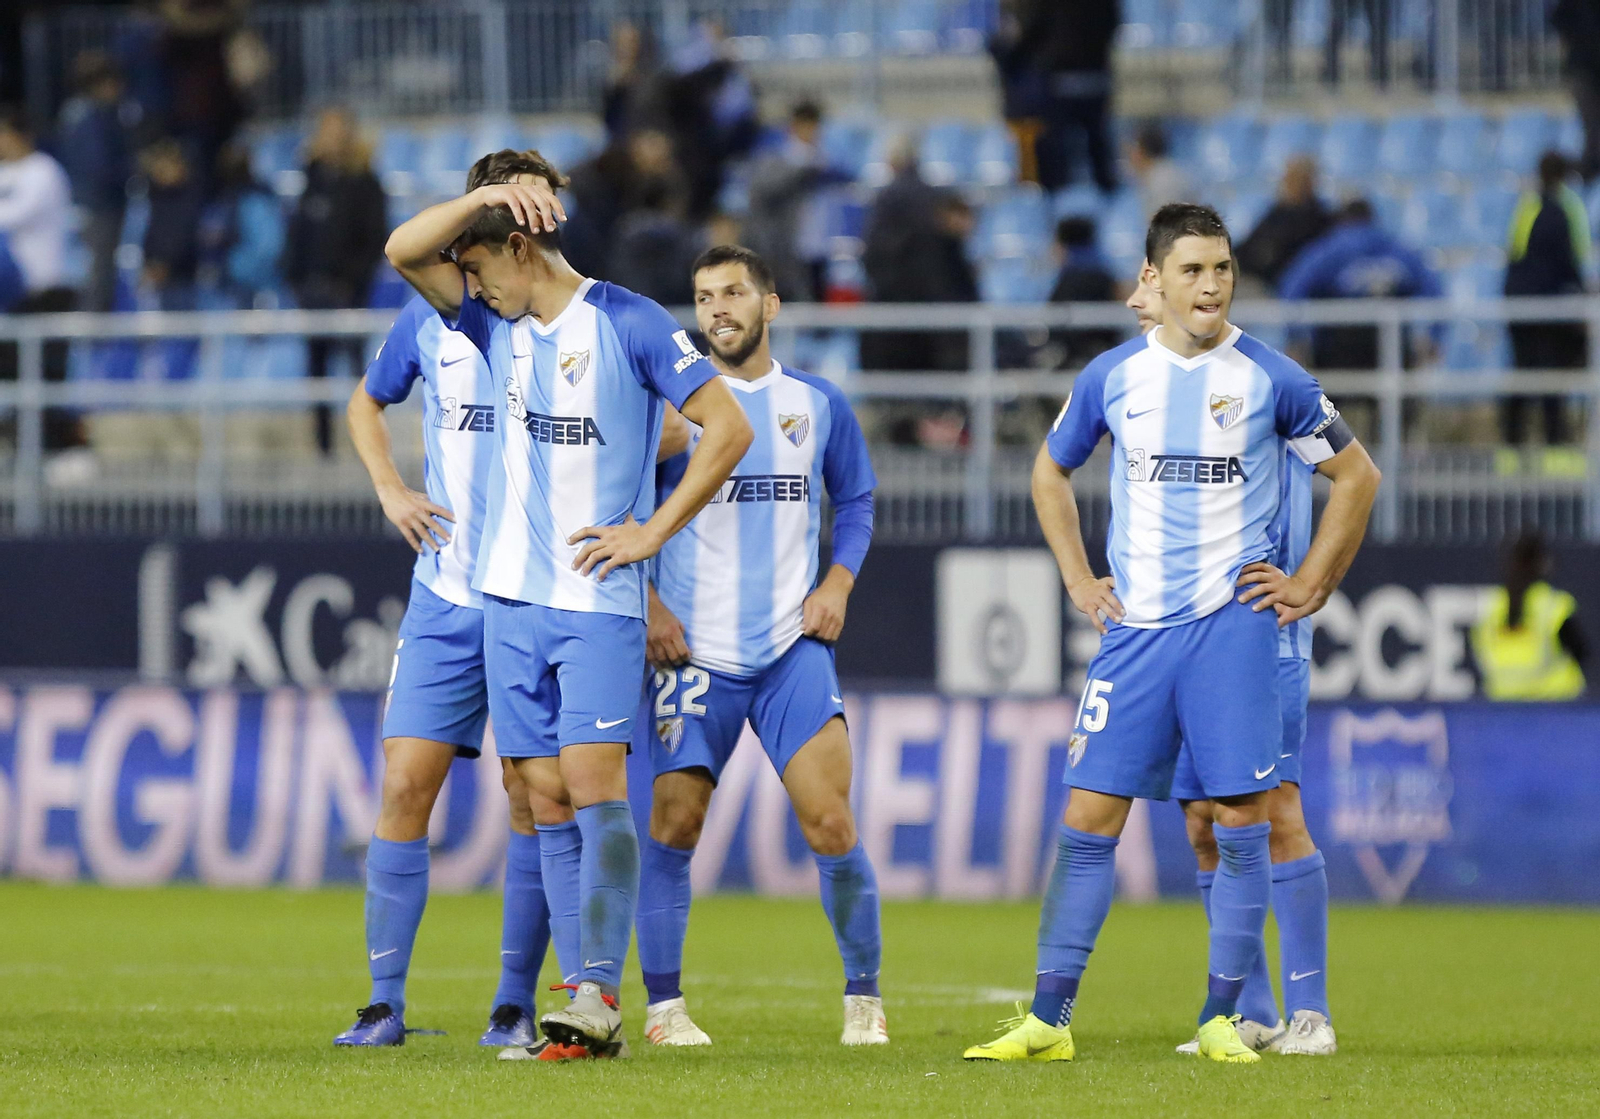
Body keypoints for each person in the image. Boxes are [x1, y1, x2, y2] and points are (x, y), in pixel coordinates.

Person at [963, 204, 1380, 1064]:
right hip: (1136, 637)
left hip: (1234, 633)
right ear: (1154, 276)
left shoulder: (1273, 378)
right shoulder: (1114, 376)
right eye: (1194, 269)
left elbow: (1357, 475)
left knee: (1247, 816)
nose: (1213, 284)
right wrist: (1079, 579)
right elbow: (1050, 468)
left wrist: (1311, 585)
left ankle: (1238, 1015)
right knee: (1088, 816)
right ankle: (1048, 1018)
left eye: (1222, 268)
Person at [384, 150, 752, 1059]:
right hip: (506, 599)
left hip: (595, 602)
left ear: (516, 250)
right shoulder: (490, 323)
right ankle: (577, 1007)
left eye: (474, 265)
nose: (463, 285)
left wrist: (652, 531)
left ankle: (597, 988)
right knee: (541, 793)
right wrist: (476, 196)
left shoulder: (628, 320)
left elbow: (728, 426)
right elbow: (403, 249)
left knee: (592, 789)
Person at [336, 151, 580, 1052]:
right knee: (404, 786)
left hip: (531, 595)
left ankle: (514, 1003)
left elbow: (666, 426)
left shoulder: (564, 317)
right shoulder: (442, 315)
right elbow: (366, 405)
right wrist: (393, 489)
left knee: (532, 795)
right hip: (445, 592)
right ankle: (382, 1001)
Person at [632, 245, 886, 1050]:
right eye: (704, 296)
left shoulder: (816, 404)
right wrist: (649, 604)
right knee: (673, 827)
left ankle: (864, 1002)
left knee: (831, 822)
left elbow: (859, 498)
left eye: (734, 292)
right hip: (692, 651)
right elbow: (613, 509)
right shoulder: (669, 420)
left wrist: (838, 583)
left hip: (789, 650)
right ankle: (664, 1008)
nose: (718, 309)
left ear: (769, 304)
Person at [283, 107, 389, 455]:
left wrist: (351, 281)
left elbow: (375, 241)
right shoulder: (311, 179)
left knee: (358, 376)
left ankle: (369, 450)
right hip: (311, 292)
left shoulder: (365, 183)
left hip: (348, 294)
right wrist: (296, 279)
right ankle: (323, 448)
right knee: (316, 373)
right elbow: (297, 236)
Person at [0, 105, 81, 455]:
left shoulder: (44, 172)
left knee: (46, 376)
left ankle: (60, 448)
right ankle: (22, 445)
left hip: (48, 290)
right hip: (13, 295)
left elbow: (15, 215)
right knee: (14, 376)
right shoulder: (5, 173)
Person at [1501, 151, 1592, 447]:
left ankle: (1512, 446)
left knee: (1522, 376)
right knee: (1551, 379)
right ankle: (1555, 447)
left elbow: (1514, 255)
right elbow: (1572, 261)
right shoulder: (1566, 209)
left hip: (1519, 304)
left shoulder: (1525, 207)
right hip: (1548, 308)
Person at [988, 0, 1118, 192]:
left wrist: (1005, 54)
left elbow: (1032, 33)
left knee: (1056, 155)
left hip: (1059, 81)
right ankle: (1102, 190)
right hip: (1096, 79)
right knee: (1097, 149)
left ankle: (1060, 195)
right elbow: (1113, 24)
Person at [55, 52, 143, 313]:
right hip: (98, 207)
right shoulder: (92, 119)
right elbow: (100, 167)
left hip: (87, 203)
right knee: (97, 275)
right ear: (102, 83)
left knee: (95, 273)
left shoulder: (76, 114)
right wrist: (135, 167)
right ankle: (90, 341)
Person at [742, 99, 849, 304]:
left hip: (818, 245)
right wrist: (801, 174)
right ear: (795, 125)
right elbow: (762, 193)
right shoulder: (776, 160)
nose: (812, 131)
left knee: (817, 306)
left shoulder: (824, 160)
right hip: (785, 248)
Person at [1473, 533, 1587, 700]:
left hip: (1502, 706)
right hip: (1556, 706)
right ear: (1542, 564)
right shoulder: (1553, 605)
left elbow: (1480, 652)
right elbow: (1581, 652)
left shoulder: (1492, 606)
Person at [1236, 157, 1332, 290]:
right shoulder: (1276, 212)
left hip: (1274, 287)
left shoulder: (1318, 219)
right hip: (1250, 277)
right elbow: (1248, 248)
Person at [1047, 216, 1120, 368]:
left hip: (1074, 359)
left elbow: (1055, 327)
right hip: (1103, 357)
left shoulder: (1067, 279)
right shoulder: (1106, 275)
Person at [1554, 0, 1600, 182]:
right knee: (1593, 126)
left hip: (1587, 67)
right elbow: (1558, 18)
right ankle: (1589, 170)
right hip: (1584, 70)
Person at [1128, 122, 1198, 222]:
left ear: (1141, 152)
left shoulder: (1163, 180)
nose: (1130, 156)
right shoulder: (1154, 176)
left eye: (1133, 149)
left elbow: (1167, 224)